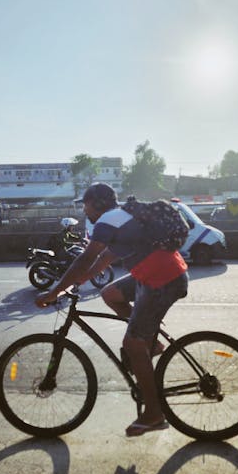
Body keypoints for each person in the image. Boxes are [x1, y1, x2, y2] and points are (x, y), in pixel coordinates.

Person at [35, 183, 188, 437]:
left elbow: (86, 258)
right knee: (110, 293)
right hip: (156, 275)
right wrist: (73, 284)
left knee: (133, 345)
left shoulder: (108, 220)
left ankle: (154, 414)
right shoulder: (122, 219)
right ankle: (152, 343)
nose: (84, 211)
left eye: (85, 204)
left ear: (96, 203)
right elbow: (102, 260)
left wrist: (53, 292)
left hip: (161, 280)